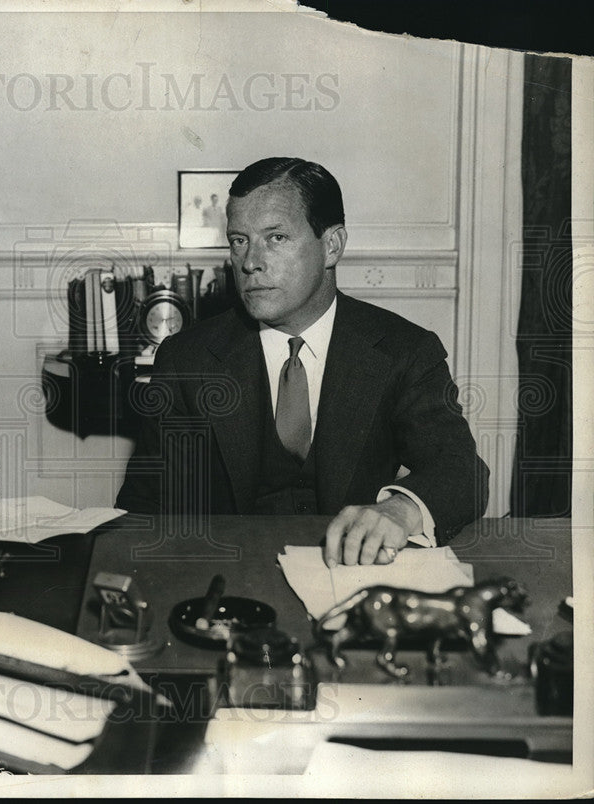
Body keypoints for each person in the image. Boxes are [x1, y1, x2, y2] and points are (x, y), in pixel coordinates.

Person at [117, 157, 488, 566]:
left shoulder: (404, 350)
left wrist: (400, 510)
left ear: (332, 245)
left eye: (275, 238)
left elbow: (462, 471)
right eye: (239, 240)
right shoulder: (186, 359)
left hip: (355, 576)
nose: (250, 262)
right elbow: (144, 506)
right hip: (231, 579)